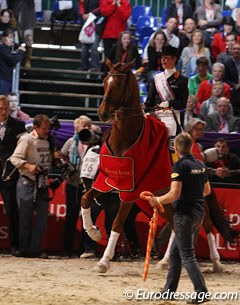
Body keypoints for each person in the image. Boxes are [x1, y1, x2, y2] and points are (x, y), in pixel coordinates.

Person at [146, 132, 211, 304]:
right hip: (198, 213)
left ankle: (201, 291)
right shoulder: (199, 164)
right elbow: (206, 191)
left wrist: (157, 200)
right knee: (175, 253)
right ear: (191, 147)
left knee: (187, 255)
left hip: (184, 214)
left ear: (175, 148)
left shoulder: (179, 166)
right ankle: (168, 291)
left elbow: (174, 194)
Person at [10, 114, 53, 259]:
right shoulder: (26, 139)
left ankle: (35, 249)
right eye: (45, 128)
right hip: (27, 181)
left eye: (48, 128)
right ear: (35, 127)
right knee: (25, 218)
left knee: (42, 219)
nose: (47, 131)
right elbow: (14, 158)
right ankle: (24, 249)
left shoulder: (48, 140)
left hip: (42, 183)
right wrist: (28, 166)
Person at [60, 115, 93, 257]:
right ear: (76, 128)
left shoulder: (94, 143)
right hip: (73, 183)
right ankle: (67, 249)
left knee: (87, 218)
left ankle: (85, 249)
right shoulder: (70, 142)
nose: (86, 128)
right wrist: (66, 164)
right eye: (83, 126)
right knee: (71, 217)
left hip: (88, 186)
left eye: (88, 126)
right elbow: (61, 155)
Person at [0, 95, 25, 255]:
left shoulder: (18, 125)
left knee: (12, 210)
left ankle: (15, 245)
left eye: (4, 108)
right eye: (0, 108)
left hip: (8, 174)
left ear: (9, 108)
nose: (2, 111)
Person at [145, 45, 188, 137]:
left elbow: (182, 103)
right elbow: (150, 99)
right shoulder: (157, 78)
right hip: (155, 113)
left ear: (174, 59)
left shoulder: (182, 80)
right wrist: (145, 109)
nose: (163, 60)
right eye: (162, 58)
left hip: (170, 115)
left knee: (169, 129)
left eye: (166, 58)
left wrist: (169, 103)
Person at [9, 0, 35, 67]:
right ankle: (16, 60)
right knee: (16, 40)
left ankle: (27, 60)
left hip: (28, 18)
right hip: (15, 16)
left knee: (28, 39)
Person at [0, 28, 25, 95]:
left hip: (6, 79)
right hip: (3, 79)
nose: (11, 40)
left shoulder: (7, 48)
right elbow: (12, 60)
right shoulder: (2, 48)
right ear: (3, 38)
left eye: (12, 38)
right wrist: (21, 52)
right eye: (9, 37)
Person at [78, 0, 102, 72]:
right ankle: (84, 65)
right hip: (87, 21)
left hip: (97, 21)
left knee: (94, 46)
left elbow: (102, 8)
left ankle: (94, 66)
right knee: (85, 44)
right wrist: (83, 14)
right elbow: (81, 5)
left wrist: (90, 14)